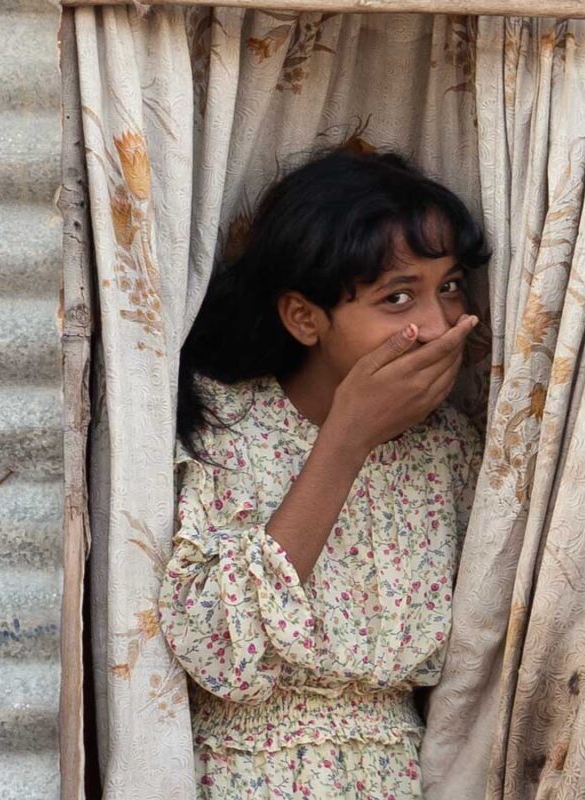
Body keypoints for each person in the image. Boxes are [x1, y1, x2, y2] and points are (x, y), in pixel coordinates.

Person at [166, 145, 485, 799]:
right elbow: (217, 652)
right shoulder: (224, 430)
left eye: (449, 286)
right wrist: (344, 442)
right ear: (305, 318)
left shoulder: (453, 450)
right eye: (398, 297)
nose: (437, 324)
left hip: (400, 776)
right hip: (243, 777)